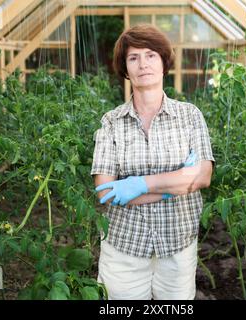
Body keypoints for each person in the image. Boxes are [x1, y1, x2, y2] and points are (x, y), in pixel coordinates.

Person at [90, 24, 215, 300]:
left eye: (150, 55)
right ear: (125, 68)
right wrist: (175, 185)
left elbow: (203, 176)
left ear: (163, 62)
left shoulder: (190, 117)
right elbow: (106, 192)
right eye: (133, 58)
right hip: (124, 248)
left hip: (178, 246)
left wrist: (140, 184)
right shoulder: (111, 123)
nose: (142, 64)